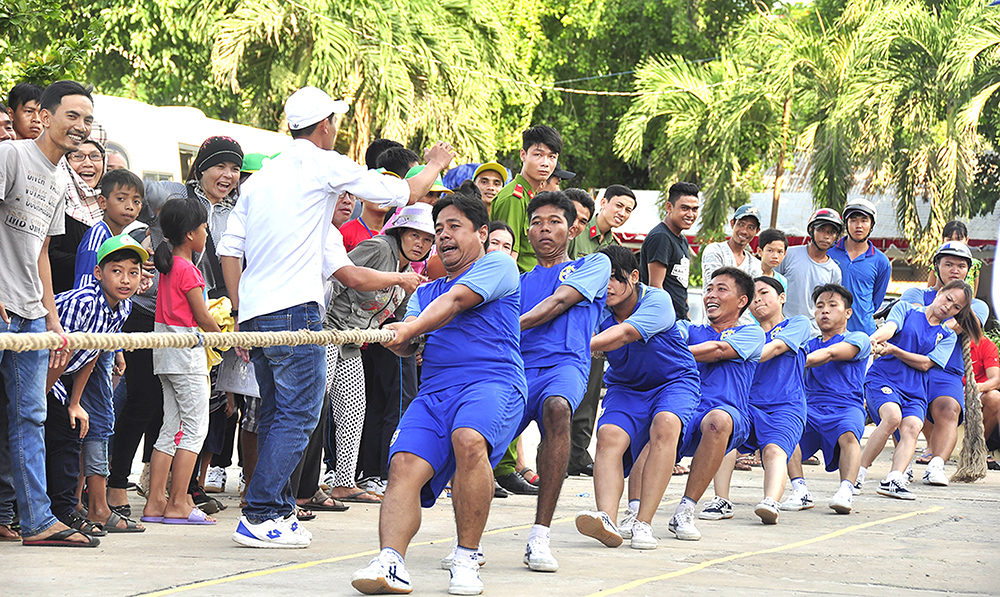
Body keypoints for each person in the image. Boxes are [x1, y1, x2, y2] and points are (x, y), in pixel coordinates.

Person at [220, 86, 452, 548]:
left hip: (258, 311)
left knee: (277, 414)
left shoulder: (262, 180)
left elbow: (231, 250)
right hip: (294, 311)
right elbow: (399, 193)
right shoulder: (320, 163)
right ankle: (261, 512)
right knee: (302, 411)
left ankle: (277, 510)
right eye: (335, 123)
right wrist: (434, 164)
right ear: (325, 125)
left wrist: (242, 315)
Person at [351, 194, 525, 595]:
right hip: (435, 391)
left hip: (492, 382)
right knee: (404, 465)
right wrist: (398, 339)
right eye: (439, 229)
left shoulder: (497, 265)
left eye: (454, 226)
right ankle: (390, 560)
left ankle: (466, 556)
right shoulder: (425, 293)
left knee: (469, 439)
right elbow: (412, 337)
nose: (442, 236)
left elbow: (456, 302)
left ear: (481, 233)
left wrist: (408, 330)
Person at [1, 80, 98, 547]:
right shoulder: (13, 156)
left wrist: (51, 315)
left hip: (31, 313)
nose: (80, 126)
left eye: (87, 119)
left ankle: (35, 521)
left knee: (29, 417)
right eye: (72, 115)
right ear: (47, 114)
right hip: (1, 308)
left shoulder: (63, 179)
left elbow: (41, 248)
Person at [500, 191, 610, 570]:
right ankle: (467, 542)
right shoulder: (516, 280)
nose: (544, 228)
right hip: (517, 370)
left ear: (573, 228)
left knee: (557, 408)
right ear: (527, 231)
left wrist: (508, 328)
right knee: (475, 441)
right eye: (536, 222)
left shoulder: (593, 265)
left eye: (555, 221)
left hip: (565, 366)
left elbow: (559, 303)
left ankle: (539, 536)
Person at [575, 245, 699, 550]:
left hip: (672, 383)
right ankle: (607, 520)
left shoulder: (657, 300)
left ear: (633, 276)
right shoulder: (596, 308)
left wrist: (575, 347)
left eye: (615, 279)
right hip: (626, 387)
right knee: (608, 436)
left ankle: (643, 522)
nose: (608, 287)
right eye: (602, 280)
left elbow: (624, 334)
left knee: (666, 425)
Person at [323, 204, 435, 505]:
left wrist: (416, 343)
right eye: (414, 236)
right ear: (399, 233)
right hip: (326, 331)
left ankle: (344, 483)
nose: (419, 244)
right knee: (314, 410)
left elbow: (399, 319)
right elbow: (345, 277)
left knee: (354, 409)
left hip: (352, 341)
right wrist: (398, 280)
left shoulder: (408, 274)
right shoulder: (379, 247)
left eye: (426, 240)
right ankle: (300, 487)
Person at [45, 235, 148, 534]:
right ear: (98, 273)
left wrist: (76, 402)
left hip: (61, 374)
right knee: (56, 430)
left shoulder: (123, 308)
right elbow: (59, 354)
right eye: (117, 271)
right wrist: (41, 400)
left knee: (76, 425)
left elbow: (91, 353)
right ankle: (60, 510)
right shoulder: (86, 301)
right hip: (39, 368)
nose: (125, 279)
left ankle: (71, 506)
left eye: (133, 272)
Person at [697, 278, 809, 525]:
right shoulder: (743, 332)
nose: (758, 299)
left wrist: (737, 350)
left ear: (781, 297)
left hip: (784, 405)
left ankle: (770, 501)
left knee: (774, 450)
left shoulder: (797, 323)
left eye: (764, 292)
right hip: (746, 404)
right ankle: (721, 500)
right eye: (753, 295)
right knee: (725, 442)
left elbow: (775, 349)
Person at [141, 197, 222, 525]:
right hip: (186, 355)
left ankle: (155, 502)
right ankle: (177, 501)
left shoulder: (168, 264)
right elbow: (202, 315)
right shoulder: (188, 269)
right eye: (203, 227)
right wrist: (224, 336)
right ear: (190, 234)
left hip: (164, 353)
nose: (205, 232)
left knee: (170, 427)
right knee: (194, 428)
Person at [669, 267, 764, 541]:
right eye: (709, 289)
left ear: (742, 301)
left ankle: (686, 509)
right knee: (658, 419)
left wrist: (676, 354)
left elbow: (719, 351)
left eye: (721, 289)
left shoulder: (752, 334)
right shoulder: (687, 329)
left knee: (717, 421)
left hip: (728, 413)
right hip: (686, 406)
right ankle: (636, 512)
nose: (712, 294)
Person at [858, 281, 973, 500]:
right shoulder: (906, 309)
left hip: (916, 388)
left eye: (956, 307)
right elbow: (890, 328)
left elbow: (926, 364)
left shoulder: (948, 336)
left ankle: (893, 479)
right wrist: (874, 339)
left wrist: (894, 350)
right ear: (940, 293)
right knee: (892, 417)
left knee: (912, 426)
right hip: (885, 378)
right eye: (948, 299)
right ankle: (856, 475)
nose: (949, 307)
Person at [899, 241, 988, 485]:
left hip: (947, 369)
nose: (955, 270)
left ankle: (937, 465)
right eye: (948, 264)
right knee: (901, 412)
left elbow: (961, 324)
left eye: (961, 266)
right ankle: (902, 465)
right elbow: (912, 321)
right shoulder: (915, 294)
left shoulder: (976, 305)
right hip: (910, 365)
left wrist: (939, 316)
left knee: (949, 409)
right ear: (936, 266)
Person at [781, 284, 871, 515]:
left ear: (847, 312)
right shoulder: (809, 344)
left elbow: (830, 354)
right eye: (820, 306)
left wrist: (794, 361)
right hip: (810, 407)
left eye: (832, 306)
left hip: (846, 406)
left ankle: (846, 491)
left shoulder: (858, 338)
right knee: (786, 435)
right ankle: (800, 490)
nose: (824, 311)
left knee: (849, 435)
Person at [491, 125, 562, 272]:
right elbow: (507, 256)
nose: (545, 163)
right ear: (523, 155)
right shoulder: (514, 198)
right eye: (538, 155)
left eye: (552, 157)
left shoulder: (534, 197)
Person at [828, 198, 891, 335]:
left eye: (864, 220)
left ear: (871, 224)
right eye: (853, 220)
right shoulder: (829, 252)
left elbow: (876, 300)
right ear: (846, 223)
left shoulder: (881, 261)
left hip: (863, 334)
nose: (859, 225)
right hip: (829, 331)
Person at [776, 208, 843, 335]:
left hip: (813, 334)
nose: (826, 236)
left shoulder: (834, 271)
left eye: (832, 232)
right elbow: (770, 284)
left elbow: (830, 307)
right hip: (782, 329)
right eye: (821, 229)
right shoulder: (789, 254)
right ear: (811, 230)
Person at [73, 168, 145, 287]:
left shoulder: (122, 238)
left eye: (136, 201)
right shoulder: (97, 234)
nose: (129, 206)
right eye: (121, 199)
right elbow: (85, 282)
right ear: (102, 202)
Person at [639, 181, 699, 320]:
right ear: (669, 207)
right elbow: (655, 287)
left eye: (694, 209)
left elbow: (681, 287)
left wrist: (687, 320)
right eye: (684, 208)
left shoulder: (682, 240)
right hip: (665, 321)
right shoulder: (661, 237)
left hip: (681, 320)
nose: (690, 214)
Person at [700, 205, 763, 325]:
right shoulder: (715, 250)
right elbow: (716, 288)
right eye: (741, 224)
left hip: (744, 329)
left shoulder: (755, 264)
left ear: (757, 231)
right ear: (732, 223)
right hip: (714, 326)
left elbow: (753, 298)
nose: (744, 231)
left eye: (751, 227)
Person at [567, 185, 636, 259]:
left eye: (628, 210)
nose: (622, 213)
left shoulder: (615, 244)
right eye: (618, 206)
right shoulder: (577, 229)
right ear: (603, 203)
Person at [930, 220, 982, 294]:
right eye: (949, 239)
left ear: (966, 239)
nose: (954, 242)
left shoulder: (975, 265)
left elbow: (973, 294)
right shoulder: (937, 263)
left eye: (959, 239)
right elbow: (931, 291)